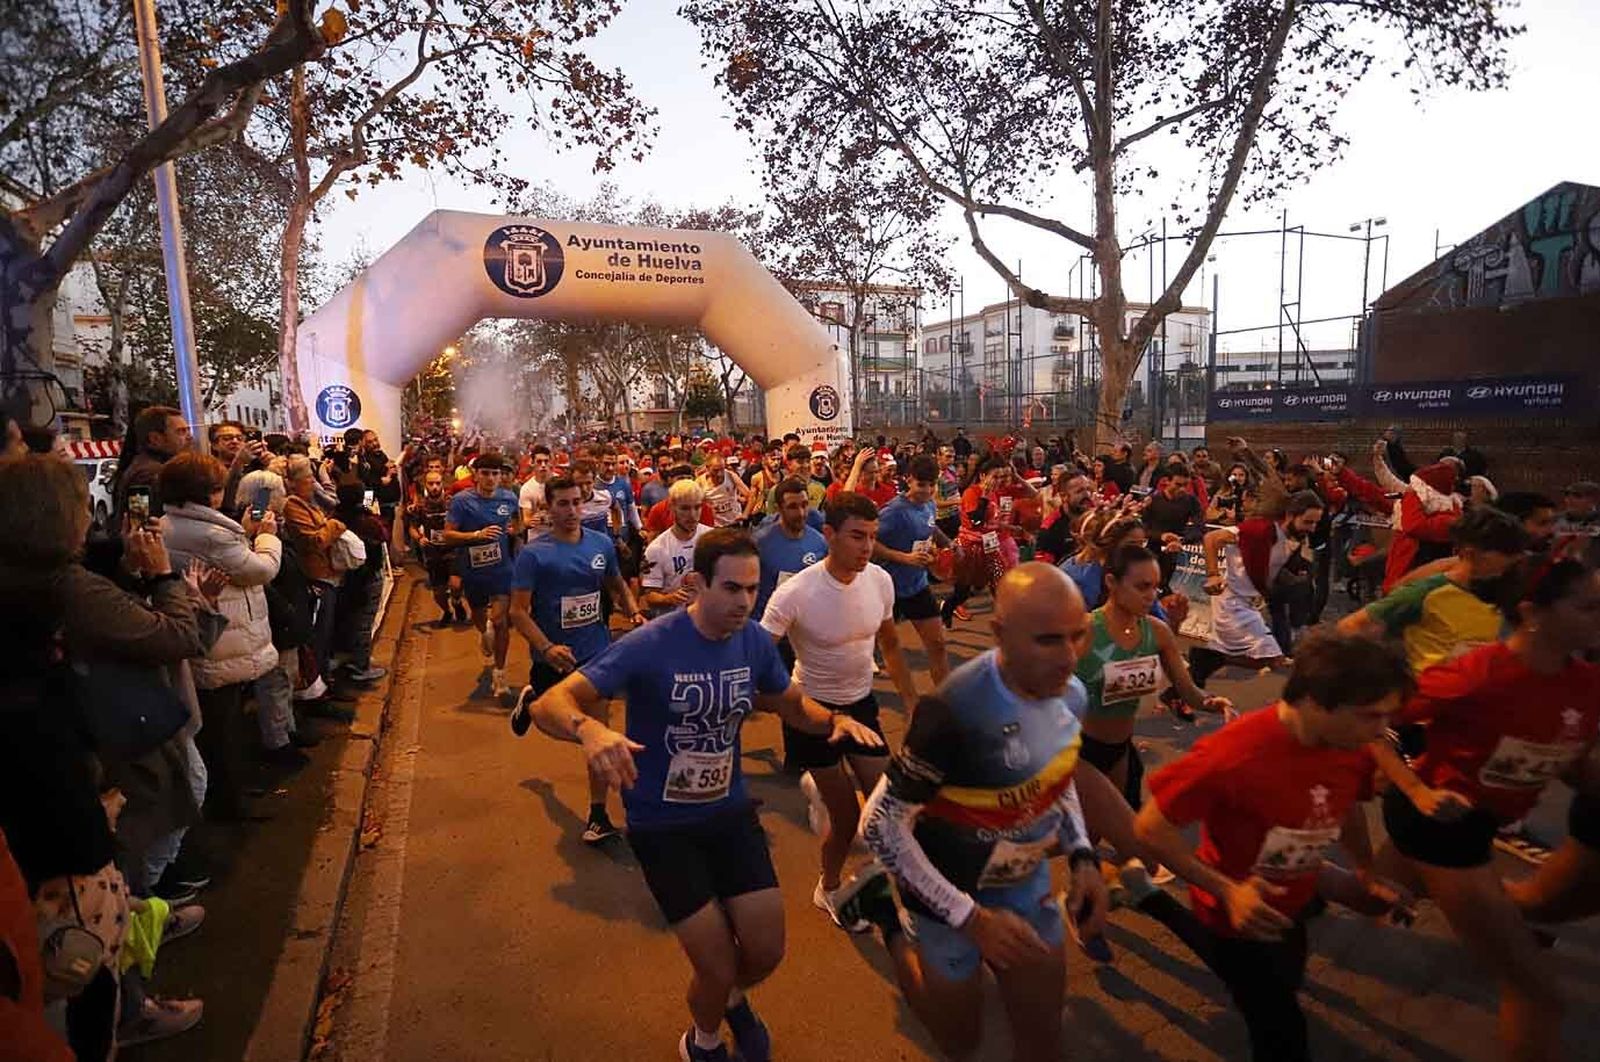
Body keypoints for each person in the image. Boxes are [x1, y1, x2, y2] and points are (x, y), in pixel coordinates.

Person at [520, 529, 882, 1062]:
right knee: (713, 964)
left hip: (730, 813)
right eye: (731, 589)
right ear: (696, 584)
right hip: (662, 827)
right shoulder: (650, 644)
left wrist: (835, 721)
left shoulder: (755, 642)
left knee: (766, 950)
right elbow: (549, 704)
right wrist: (591, 731)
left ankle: (729, 997)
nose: (743, 602)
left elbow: (789, 702)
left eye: (752, 590)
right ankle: (704, 1039)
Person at [851, 563, 1108, 1062]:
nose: (1069, 658)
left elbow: (1060, 776)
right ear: (1000, 635)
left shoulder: (1071, 695)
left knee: (1042, 1039)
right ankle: (886, 917)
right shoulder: (955, 708)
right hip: (946, 888)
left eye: (1078, 636)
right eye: (1048, 641)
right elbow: (879, 822)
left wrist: (1081, 855)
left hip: (1020, 879)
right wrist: (968, 918)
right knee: (962, 1041)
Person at [1130, 632, 1416, 1062]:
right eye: (1370, 717)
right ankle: (1149, 895)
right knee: (1281, 1032)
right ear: (1316, 703)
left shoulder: (1350, 744)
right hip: (1236, 916)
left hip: (1293, 901)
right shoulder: (1232, 754)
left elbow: (1351, 805)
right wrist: (1228, 891)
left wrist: (1366, 873)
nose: (1383, 731)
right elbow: (1150, 828)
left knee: (1283, 981)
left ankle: (1144, 894)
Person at [1371, 560, 1600, 1062]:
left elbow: (1565, 750)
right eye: (1586, 606)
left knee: (1377, 896)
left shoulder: (1587, 681)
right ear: (1532, 614)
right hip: (1439, 827)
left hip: (1482, 825)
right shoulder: (1476, 675)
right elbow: (1369, 717)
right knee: (1539, 995)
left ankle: (1305, 892)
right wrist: (1409, 784)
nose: (1598, 615)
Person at [760, 492, 918, 929]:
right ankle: (829, 887)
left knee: (890, 806)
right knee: (847, 815)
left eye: (872, 537)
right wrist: (779, 701)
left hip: (861, 706)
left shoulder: (880, 581)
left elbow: (890, 643)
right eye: (856, 537)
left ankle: (897, 884)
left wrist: (911, 703)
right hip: (812, 711)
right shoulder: (795, 592)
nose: (866, 547)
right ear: (828, 535)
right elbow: (759, 653)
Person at [508, 475, 646, 844]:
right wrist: (547, 647)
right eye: (562, 504)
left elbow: (615, 583)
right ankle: (532, 701)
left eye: (575, 503)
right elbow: (518, 612)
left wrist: (632, 610)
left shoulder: (601, 544)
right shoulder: (533, 554)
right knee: (553, 721)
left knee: (596, 733)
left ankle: (598, 815)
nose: (571, 511)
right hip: (553, 657)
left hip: (596, 652)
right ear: (547, 508)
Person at [161, 451, 287, 814]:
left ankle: (231, 794)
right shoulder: (213, 533)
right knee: (223, 729)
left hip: (215, 632)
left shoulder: (175, 522)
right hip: (220, 637)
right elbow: (258, 570)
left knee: (221, 725)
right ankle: (230, 802)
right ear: (207, 492)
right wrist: (265, 538)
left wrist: (245, 533)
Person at [1076, 545, 1233, 813]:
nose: (1151, 596)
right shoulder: (1083, 630)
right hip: (1079, 751)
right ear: (1112, 582)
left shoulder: (1157, 632)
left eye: (1155, 587)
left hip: (1120, 750)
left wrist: (1211, 702)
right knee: (1089, 835)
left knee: (1123, 828)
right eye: (1141, 587)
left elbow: (1186, 689)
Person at [1338, 505, 1526, 674]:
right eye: (1505, 554)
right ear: (1472, 554)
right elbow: (1351, 626)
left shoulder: (1505, 592)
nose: (1513, 561)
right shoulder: (1425, 592)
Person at [1189, 491, 1325, 687]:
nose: (1312, 528)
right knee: (1274, 659)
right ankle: (1203, 661)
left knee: (1250, 658)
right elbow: (1211, 538)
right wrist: (1212, 574)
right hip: (1231, 602)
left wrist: (1296, 579)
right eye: (1307, 522)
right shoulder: (1258, 530)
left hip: (1249, 603)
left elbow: (1269, 570)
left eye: (1315, 523)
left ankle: (1190, 676)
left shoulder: (1293, 539)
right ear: (1290, 515)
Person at [444, 453, 522, 699]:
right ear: (475, 475)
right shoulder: (461, 501)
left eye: (495, 474)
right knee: (481, 620)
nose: (490, 478)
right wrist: (476, 535)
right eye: (485, 473)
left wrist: (515, 529)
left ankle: (499, 675)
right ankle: (483, 632)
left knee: (500, 622)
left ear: (501, 476)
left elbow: (518, 523)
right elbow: (448, 535)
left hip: (502, 570)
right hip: (473, 571)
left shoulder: (509, 497)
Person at [751, 477, 826, 649]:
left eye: (804, 505)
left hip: (803, 636)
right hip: (768, 635)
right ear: (778, 508)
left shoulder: (819, 542)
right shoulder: (759, 544)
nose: (801, 513)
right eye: (792, 507)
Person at [640, 477, 711, 618]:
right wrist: (670, 598)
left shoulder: (712, 539)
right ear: (672, 507)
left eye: (697, 507)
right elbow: (649, 596)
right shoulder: (656, 549)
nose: (692, 515)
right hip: (673, 621)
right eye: (685, 508)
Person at [406, 468, 466, 625]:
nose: (434, 487)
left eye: (437, 483)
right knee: (439, 593)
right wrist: (419, 538)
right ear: (425, 485)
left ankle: (457, 602)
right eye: (431, 484)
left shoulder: (452, 502)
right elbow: (412, 527)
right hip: (433, 552)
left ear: (442, 484)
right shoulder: (420, 506)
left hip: (453, 549)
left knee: (456, 584)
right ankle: (447, 611)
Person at [113, 404, 191, 521]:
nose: (189, 437)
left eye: (187, 430)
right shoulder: (148, 474)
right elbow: (139, 521)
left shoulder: (151, 467)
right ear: (155, 439)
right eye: (180, 432)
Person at [698, 448, 750, 528]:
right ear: (707, 468)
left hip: (734, 523)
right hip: (715, 526)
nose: (719, 474)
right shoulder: (700, 482)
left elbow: (750, 496)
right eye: (715, 470)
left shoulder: (731, 476)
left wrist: (745, 514)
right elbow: (695, 504)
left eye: (722, 469)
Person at [518, 444, 554, 539]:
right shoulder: (527, 488)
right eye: (539, 462)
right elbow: (526, 519)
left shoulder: (561, 482)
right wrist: (532, 521)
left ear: (550, 462)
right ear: (532, 463)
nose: (543, 465)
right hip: (537, 537)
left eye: (546, 461)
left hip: (558, 535)